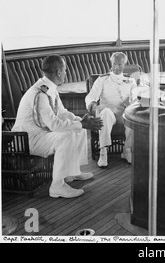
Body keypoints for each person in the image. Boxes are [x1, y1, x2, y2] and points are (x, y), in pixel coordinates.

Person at [12, 55, 103, 199]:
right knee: (66, 135)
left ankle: (71, 173)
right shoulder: (40, 94)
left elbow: (62, 112)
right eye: (65, 70)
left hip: (40, 134)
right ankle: (57, 186)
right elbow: (54, 124)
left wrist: (80, 121)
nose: (66, 73)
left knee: (77, 127)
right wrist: (81, 124)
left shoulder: (49, 88)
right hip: (26, 140)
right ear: (59, 72)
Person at [85, 52, 136, 167]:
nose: (117, 67)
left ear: (124, 65)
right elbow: (91, 96)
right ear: (111, 64)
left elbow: (136, 96)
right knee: (106, 113)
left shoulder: (130, 80)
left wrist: (133, 103)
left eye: (120, 64)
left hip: (123, 113)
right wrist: (92, 102)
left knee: (132, 115)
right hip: (107, 111)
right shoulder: (102, 79)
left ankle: (126, 151)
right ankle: (103, 152)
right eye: (115, 64)